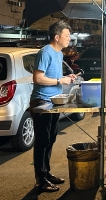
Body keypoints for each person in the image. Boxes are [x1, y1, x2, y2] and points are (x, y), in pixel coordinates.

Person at [29, 20, 77, 193]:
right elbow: (38, 78)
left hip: (54, 101)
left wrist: (67, 77)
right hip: (41, 102)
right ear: (57, 37)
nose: (69, 40)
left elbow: (55, 76)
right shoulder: (45, 52)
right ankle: (40, 180)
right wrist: (59, 80)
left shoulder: (59, 54)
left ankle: (46, 173)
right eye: (66, 36)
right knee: (42, 141)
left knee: (50, 139)